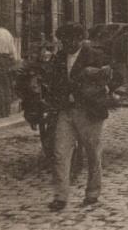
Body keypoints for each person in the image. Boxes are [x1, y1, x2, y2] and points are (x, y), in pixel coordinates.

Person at [47, 23, 113, 211]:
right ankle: (60, 197)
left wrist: (99, 76)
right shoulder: (59, 58)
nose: (67, 43)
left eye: (72, 40)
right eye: (64, 40)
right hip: (66, 111)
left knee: (93, 152)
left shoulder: (95, 56)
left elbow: (115, 78)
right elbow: (54, 82)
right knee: (60, 153)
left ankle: (92, 192)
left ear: (80, 40)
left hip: (89, 112)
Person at [0, 14, 19, 117]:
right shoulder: (8, 34)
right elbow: (13, 51)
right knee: (6, 85)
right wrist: (14, 62)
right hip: (6, 60)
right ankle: (6, 111)